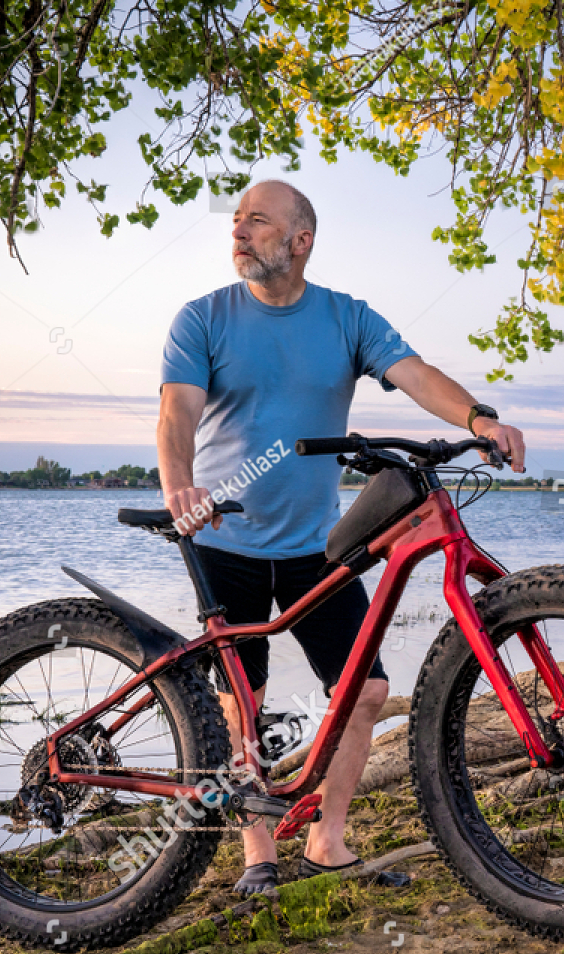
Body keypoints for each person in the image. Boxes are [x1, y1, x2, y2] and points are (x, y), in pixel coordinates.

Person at [157, 179, 527, 898]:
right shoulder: (203, 318)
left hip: (314, 548)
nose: (237, 233)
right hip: (224, 540)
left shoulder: (345, 317)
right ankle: (256, 850)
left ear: (301, 240)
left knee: (366, 691)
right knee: (244, 700)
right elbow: (177, 416)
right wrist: (180, 485)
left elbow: (414, 374)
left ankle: (328, 839)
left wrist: (478, 418)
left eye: (256, 222)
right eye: (234, 222)